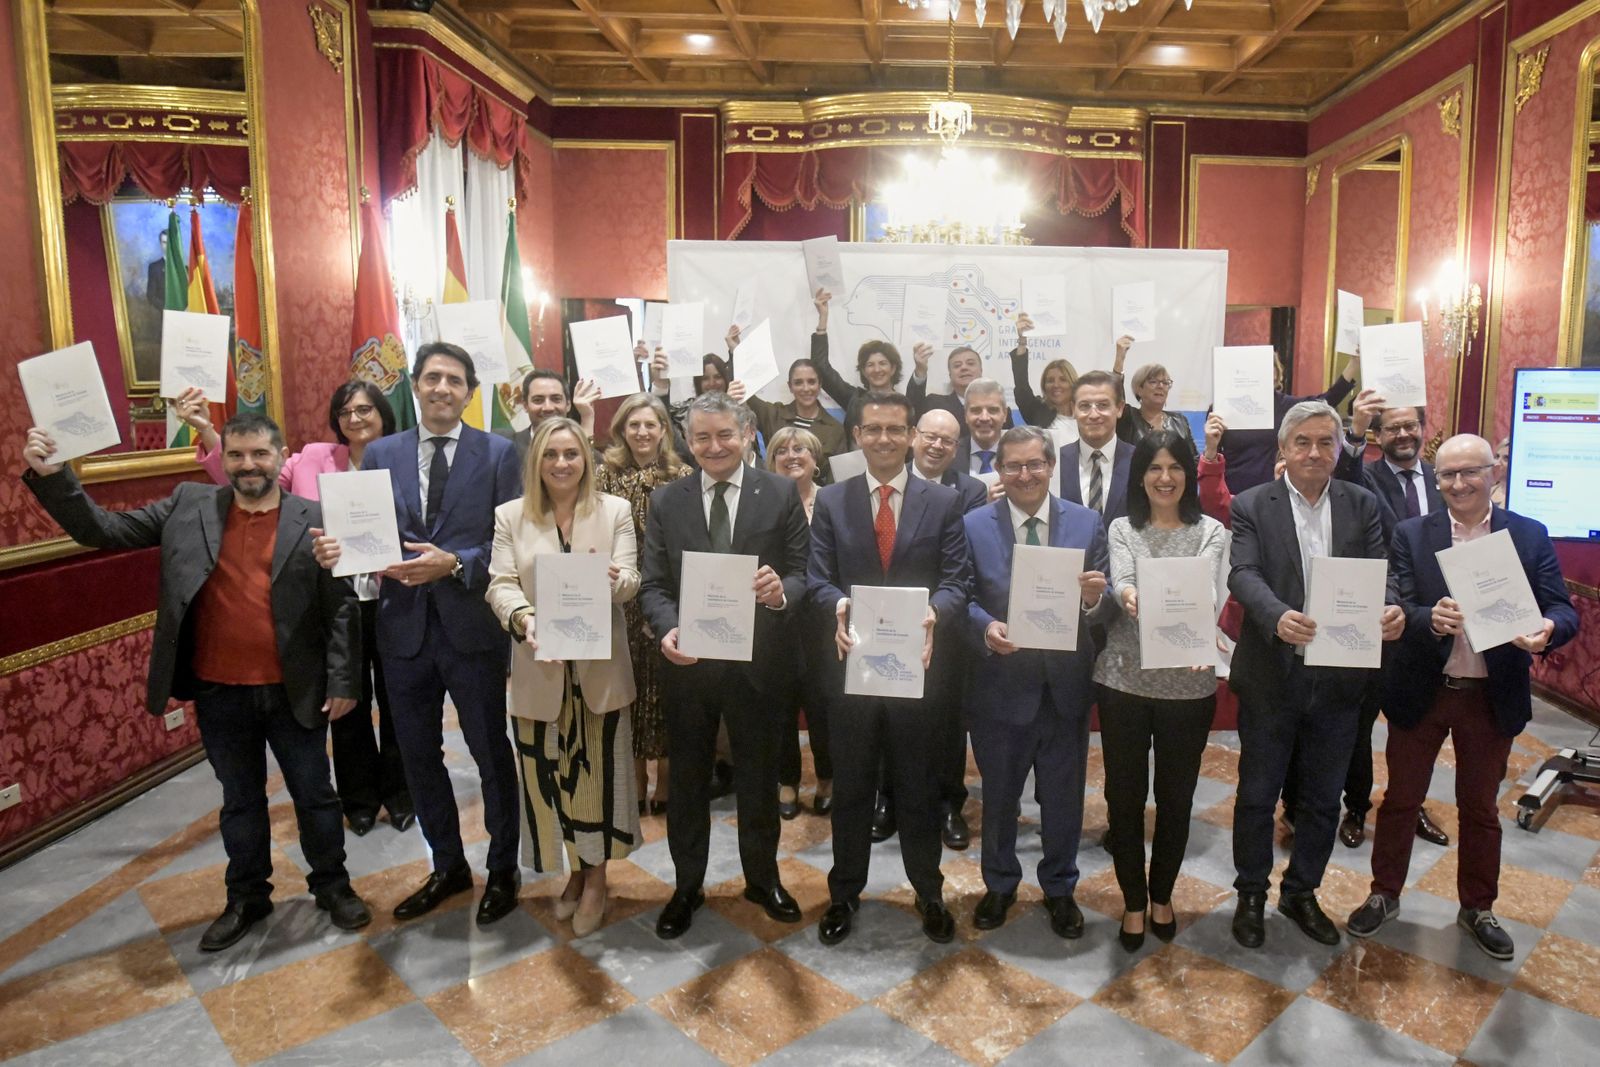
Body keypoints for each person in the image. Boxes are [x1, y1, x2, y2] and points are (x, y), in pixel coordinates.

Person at [22, 413, 371, 951]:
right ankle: (246, 897)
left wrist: (345, 680)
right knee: (240, 800)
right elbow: (103, 529)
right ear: (222, 458)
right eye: (236, 454)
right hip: (218, 690)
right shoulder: (190, 506)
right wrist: (51, 475)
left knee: (316, 796)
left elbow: (343, 610)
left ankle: (333, 886)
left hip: (293, 689)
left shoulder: (319, 518)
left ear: (281, 459)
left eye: (259, 454)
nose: (248, 464)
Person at [312, 342, 524, 928]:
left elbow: (511, 539)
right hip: (401, 630)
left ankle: (503, 868)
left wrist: (453, 562)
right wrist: (339, 550)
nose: (441, 388)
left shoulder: (499, 452)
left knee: (489, 752)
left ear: (469, 392)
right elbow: (364, 531)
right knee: (418, 760)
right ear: (416, 386)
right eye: (432, 378)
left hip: (471, 629)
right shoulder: (381, 451)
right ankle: (449, 865)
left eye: (455, 380)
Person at [1348, 434, 1578, 960]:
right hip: (1424, 690)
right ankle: (1383, 894)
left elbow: (1563, 609)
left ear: (1493, 472)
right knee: (1401, 798)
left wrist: (1547, 627)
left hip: (1489, 695)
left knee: (1479, 807)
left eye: (1468, 472)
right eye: (1447, 476)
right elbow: (1398, 599)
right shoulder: (1412, 533)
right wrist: (1432, 618)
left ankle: (1477, 906)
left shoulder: (1527, 535)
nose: (1457, 484)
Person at [176, 381, 414, 838]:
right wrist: (207, 431)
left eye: (365, 409)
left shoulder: (404, 460)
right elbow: (244, 482)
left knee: (399, 702)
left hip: (392, 599)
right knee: (347, 707)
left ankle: (402, 794)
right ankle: (359, 800)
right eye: (345, 411)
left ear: (383, 413)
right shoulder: (311, 458)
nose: (355, 418)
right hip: (331, 605)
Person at [1227, 399, 1404, 950]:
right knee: (1258, 795)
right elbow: (1243, 573)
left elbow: (1385, 573)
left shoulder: (1362, 504)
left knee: (1324, 799)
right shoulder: (1254, 504)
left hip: (1340, 678)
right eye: (1302, 442)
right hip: (1271, 676)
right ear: (1283, 450)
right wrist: (1277, 616)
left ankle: (1302, 891)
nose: (1314, 452)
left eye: (1325, 442)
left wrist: (1392, 607)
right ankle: (1252, 893)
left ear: (1339, 448)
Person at [639, 393, 812, 940]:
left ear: (746, 433)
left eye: (725, 436)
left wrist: (781, 591)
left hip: (759, 667)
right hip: (688, 665)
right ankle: (687, 885)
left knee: (759, 781)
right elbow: (654, 585)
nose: (714, 447)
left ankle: (762, 879)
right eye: (702, 438)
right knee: (687, 782)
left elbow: (805, 571)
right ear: (687, 442)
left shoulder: (780, 493)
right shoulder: (667, 500)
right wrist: (667, 627)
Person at [809, 392, 971, 946]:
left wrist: (933, 613)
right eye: (873, 429)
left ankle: (928, 891)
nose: (883, 439)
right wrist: (837, 607)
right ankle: (843, 893)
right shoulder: (832, 501)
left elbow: (957, 582)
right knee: (852, 787)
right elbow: (817, 578)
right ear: (857, 435)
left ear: (909, 436)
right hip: (852, 669)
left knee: (918, 788)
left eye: (894, 430)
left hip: (917, 673)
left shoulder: (943, 501)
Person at [487, 417, 641, 937]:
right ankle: (574, 871)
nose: (561, 463)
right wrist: (525, 620)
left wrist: (616, 581)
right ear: (536, 461)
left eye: (571, 454)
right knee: (551, 780)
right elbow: (500, 584)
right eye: (550, 454)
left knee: (598, 782)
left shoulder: (615, 511)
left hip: (600, 673)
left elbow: (633, 579)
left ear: (586, 459)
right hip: (540, 667)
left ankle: (596, 877)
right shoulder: (510, 516)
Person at [963, 426, 1114, 939]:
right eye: (1013, 466)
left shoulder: (1088, 523)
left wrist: (1095, 599)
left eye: (1034, 464)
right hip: (999, 685)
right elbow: (961, 594)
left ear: (1051, 466)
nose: (1024, 475)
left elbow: (1104, 603)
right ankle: (1000, 884)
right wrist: (986, 625)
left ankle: (1060, 887)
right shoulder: (973, 524)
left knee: (1064, 796)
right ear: (1000, 471)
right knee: (1000, 796)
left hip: (1065, 688)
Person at [1095, 431, 1227, 951]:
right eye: (1155, 468)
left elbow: (1211, 588)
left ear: (1188, 476)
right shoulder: (1123, 527)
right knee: (1123, 798)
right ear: (1140, 475)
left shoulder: (1210, 531)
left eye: (1175, 467)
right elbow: (1122, 578)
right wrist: (1128, 593)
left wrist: (1199, 621)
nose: (1165, 478)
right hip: (1124, 679)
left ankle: (1162, 895)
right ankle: (1132, 899)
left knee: (1176, 799)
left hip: (1188, 684)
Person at [595, 393, 692, 817]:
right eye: (633, 425)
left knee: (668, 692)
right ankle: (634, 781)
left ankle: (668, 781)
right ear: (621, 429)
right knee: (628, 692)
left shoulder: (683, 474)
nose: (642, 432)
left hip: (668, 597)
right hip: (617, 600)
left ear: (663, 430)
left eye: (650, 424)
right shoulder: (603, 475)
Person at [764, 426, 834, 819]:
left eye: (800, 449)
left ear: (816, 457)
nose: (792, 456)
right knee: (779, 705)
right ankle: (786, 780)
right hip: (777, 620)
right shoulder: (762, 501)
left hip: (824, 623)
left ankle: (827, 778)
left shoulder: (833, 500)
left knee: (823, 705)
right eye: (782, 450)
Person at [1218, 352, 1359, 494]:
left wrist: (1353, 363)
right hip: (1231, 494)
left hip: (1273, 496)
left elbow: (1328, 399)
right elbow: (1213, 456)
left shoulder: (1286, 406)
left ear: (1275, 373)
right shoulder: (1222, 409)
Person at [807, 287, 920, 439]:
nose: (877, 369)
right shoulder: (854, 399)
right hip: (857, 462)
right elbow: (821, 368)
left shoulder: (904, 403)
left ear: (893, 368)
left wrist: (921, 369)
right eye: (870, 365)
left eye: (882, 363)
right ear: (864, 371)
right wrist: (823, 318)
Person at [723, 324, 848, 459]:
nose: (806, 388)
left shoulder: (835, 429)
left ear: (819, 385)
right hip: (773, 480)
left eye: (811, 382)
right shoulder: (773, 415)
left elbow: (837, 477)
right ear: (790, 386)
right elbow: (743, 389)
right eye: (798, 382)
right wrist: (736, 352)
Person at [1058, 371, 1135, 526]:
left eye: (1103, 405)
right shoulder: (1055, 462)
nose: (1093, 415)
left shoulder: (1140, 461)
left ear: (1119, 408)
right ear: (1073, 410)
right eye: (1084, 406)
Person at [502, 368, 601, 466]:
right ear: (525, 406)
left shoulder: (594, 457)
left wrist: (587, 416)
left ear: (568, 405)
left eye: (556, 399)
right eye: (538, 400)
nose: (548, 407)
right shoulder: (506, 451)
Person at [908, 342, 1015, 430]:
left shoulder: (998, 410)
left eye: (970, 363)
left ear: (981, 370)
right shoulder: (934, 404)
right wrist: (920, 370)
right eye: (957, 365)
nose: (964, 368)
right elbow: (911, 413)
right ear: (950, 375)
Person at [1010, 312, 1078, 439]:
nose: (1056, 385)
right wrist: (1022, 342)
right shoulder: (1038, 411)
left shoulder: (1087, 413)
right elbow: (1021, 387)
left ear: (1073, 383)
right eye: (1050, 380)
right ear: (1044, 385)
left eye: (1063, 380)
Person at [906, 409, 988, 513]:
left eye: (947, 441)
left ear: (955, 449)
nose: (937, 445)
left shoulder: (972, 491)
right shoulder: (892, 480)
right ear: (913, 436)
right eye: (930, 437)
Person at [1118, 363, 1196, 451]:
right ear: (1139, 389)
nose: (1161, 386)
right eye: (1153, 382)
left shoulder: (1180, 421)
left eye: (1166, 383)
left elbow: (1193, 460)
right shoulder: (1128, 417)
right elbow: (1115, 395)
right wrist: (1119, 359)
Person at [954, 378, 1011, 485]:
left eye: (993, 410)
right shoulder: (950, 455)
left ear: (1005, 415)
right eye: (976, 410)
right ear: (965, 415)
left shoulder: (1020, 455)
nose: (984, 418)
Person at [1489, 435, 1510, 507]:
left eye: (1506, 458)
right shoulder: (1487, 491)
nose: (1498, 462)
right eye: (1497, 456)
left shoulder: (1518, 497)